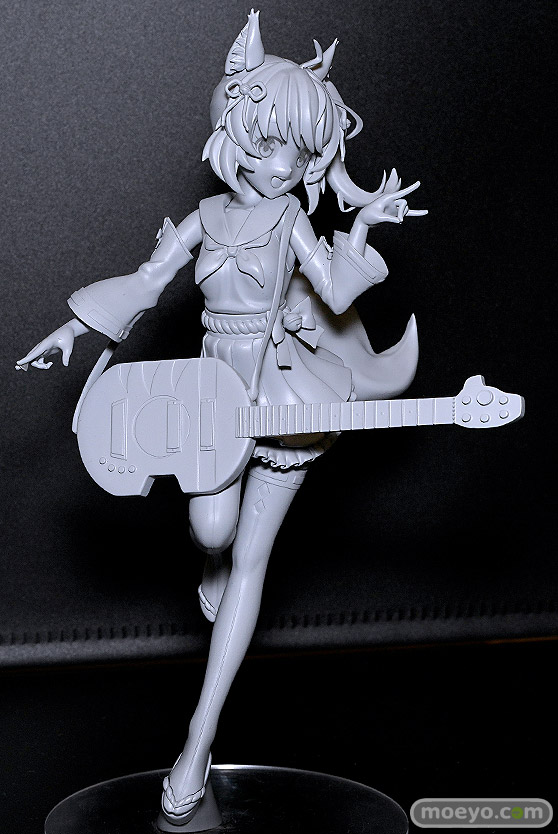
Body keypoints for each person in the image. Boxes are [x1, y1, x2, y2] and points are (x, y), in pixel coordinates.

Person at [17, 11, 426, 827]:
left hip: (280, 394)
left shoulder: (292, 220)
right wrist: (75, 328)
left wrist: (362, 229)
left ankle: (197, 742)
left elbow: (333, 291)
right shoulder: (206, 219)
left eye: (299, 154)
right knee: (211, 531)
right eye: (268, 143)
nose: (280, 168)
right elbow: (146, 282)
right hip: (209, 394)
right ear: (233, 129)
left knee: (250, 564)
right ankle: (209, 560)